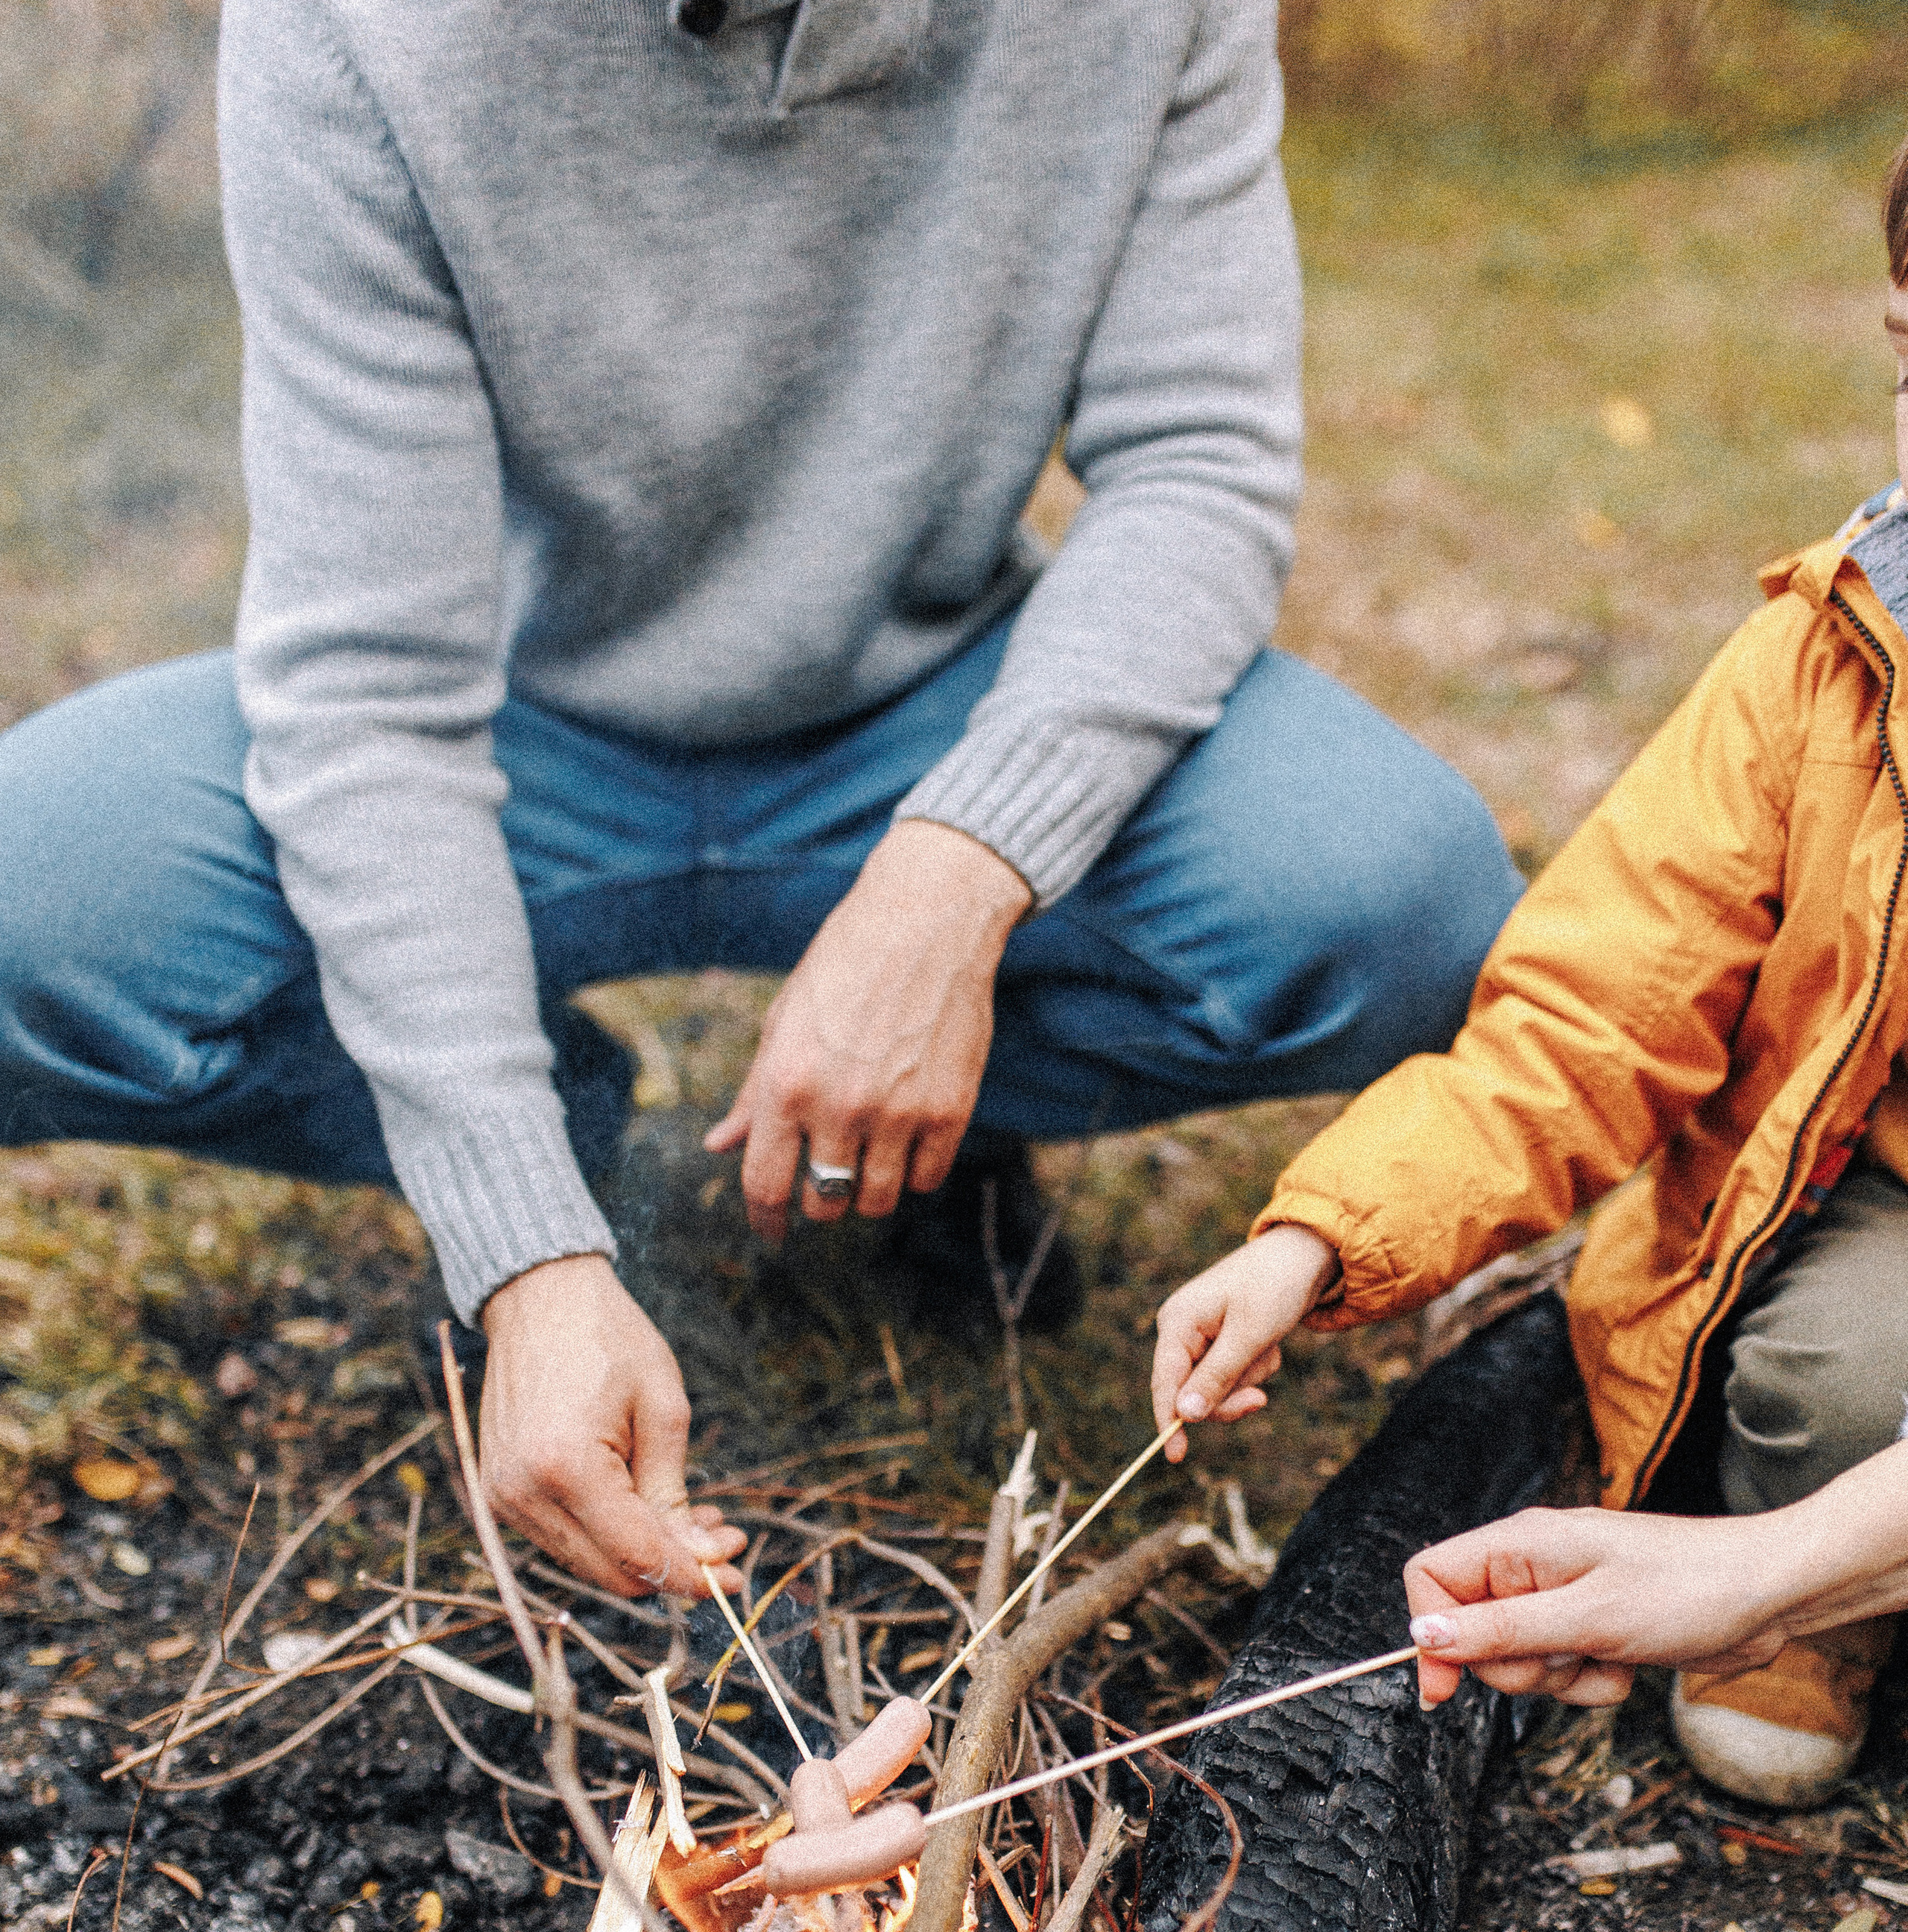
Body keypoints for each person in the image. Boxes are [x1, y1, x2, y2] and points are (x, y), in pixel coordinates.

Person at [0, 0, 1520, 1609]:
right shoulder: (354, 26)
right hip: (501, 718)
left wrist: (960, 874)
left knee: (1399, 898)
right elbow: (371, 686)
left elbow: (1196, 467)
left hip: (933, 704)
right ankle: (566, 1137)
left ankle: (929, 1125)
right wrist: (522, 1238)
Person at [1154, 128, 1908, 1812]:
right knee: (1839, 1378)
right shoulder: (1826, 660)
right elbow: (1586, 1013)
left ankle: (1799, 1573)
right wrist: (1315, 1237)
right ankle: (1814, 1595)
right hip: (1880, 1197)